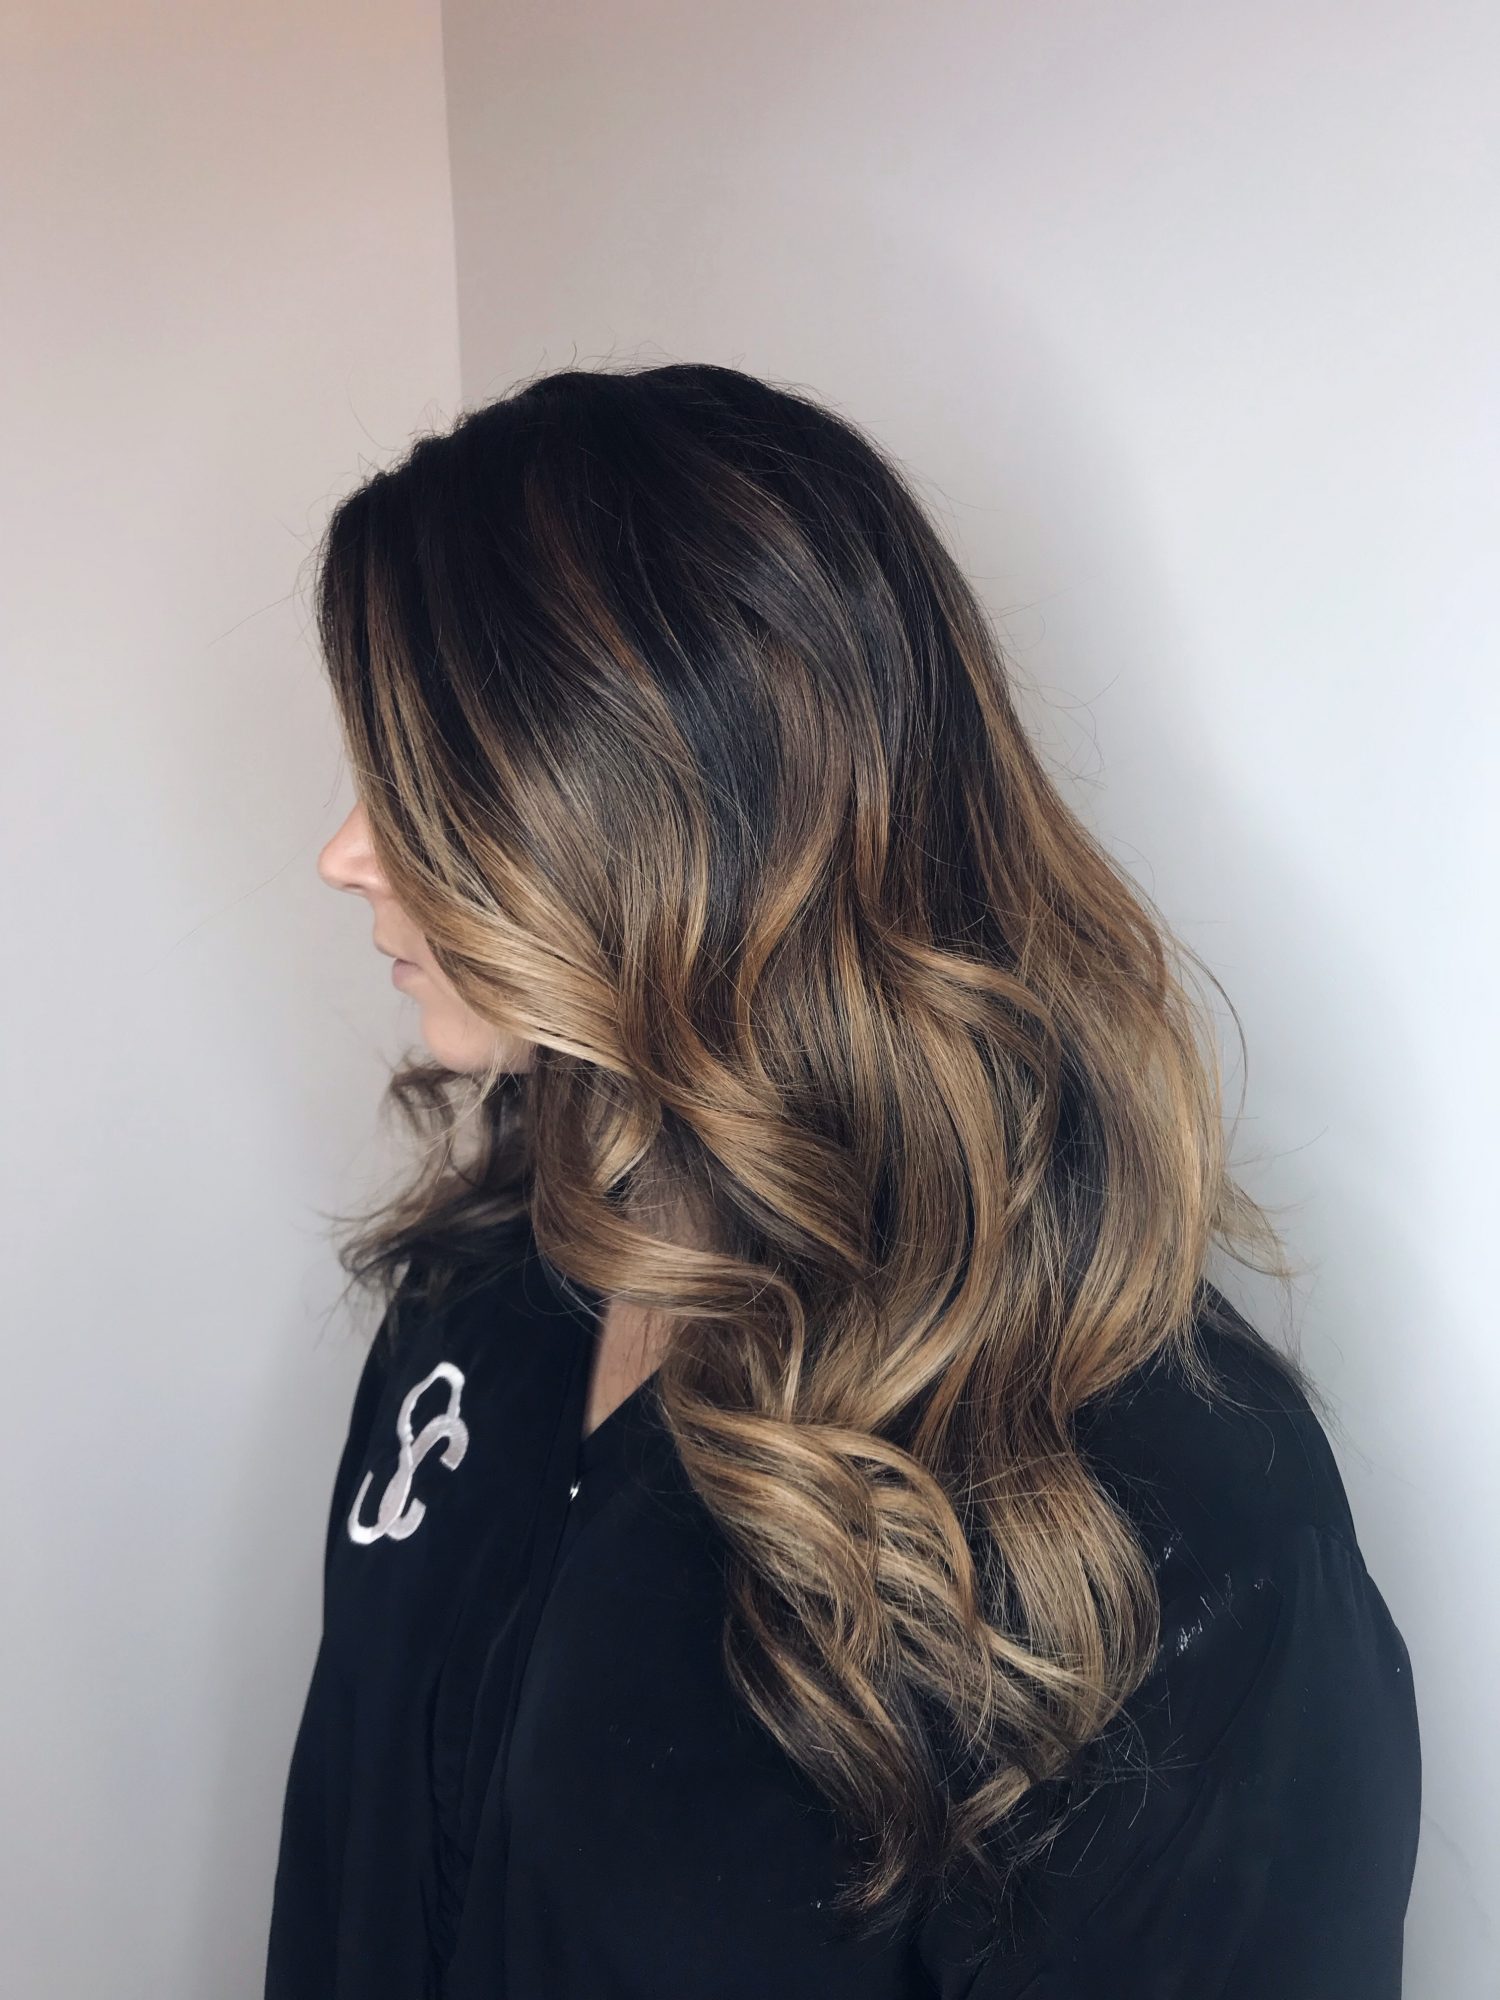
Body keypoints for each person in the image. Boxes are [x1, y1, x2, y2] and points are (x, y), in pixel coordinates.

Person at [265, 361, 1420, 1998]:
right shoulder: (477, 1296)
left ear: (684, 818)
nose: (344, 855)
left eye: (430, 787)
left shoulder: (1169, 1539)